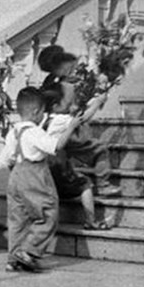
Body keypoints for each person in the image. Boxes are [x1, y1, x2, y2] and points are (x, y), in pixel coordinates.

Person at [1, 87, 82, 272]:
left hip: (16, 174)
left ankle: (13, 258)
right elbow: (56, 146)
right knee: (48, 213)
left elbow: (6, 158)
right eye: (42, 112)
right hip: (34, 172)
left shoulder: (13, 131)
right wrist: (71, 127)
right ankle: (29, 250)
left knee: (17, 219)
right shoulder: (34, 131)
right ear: (36, 112)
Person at [36, 45, 120, 196]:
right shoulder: (68, 88)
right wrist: (97, 102)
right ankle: (103, 183)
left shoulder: (49, 85)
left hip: (50, 131)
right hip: (68, 132)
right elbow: (80, 116)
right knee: (99, 149)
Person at [41, 84, 105, 230]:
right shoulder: (61, 119)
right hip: (57, 162)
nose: (70, 105)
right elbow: (83, 119)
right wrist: (97, 103)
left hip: (44, 162)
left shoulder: (45, 119)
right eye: (66, 102)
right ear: (56, 106)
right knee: (85, 183)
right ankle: (91, 220)